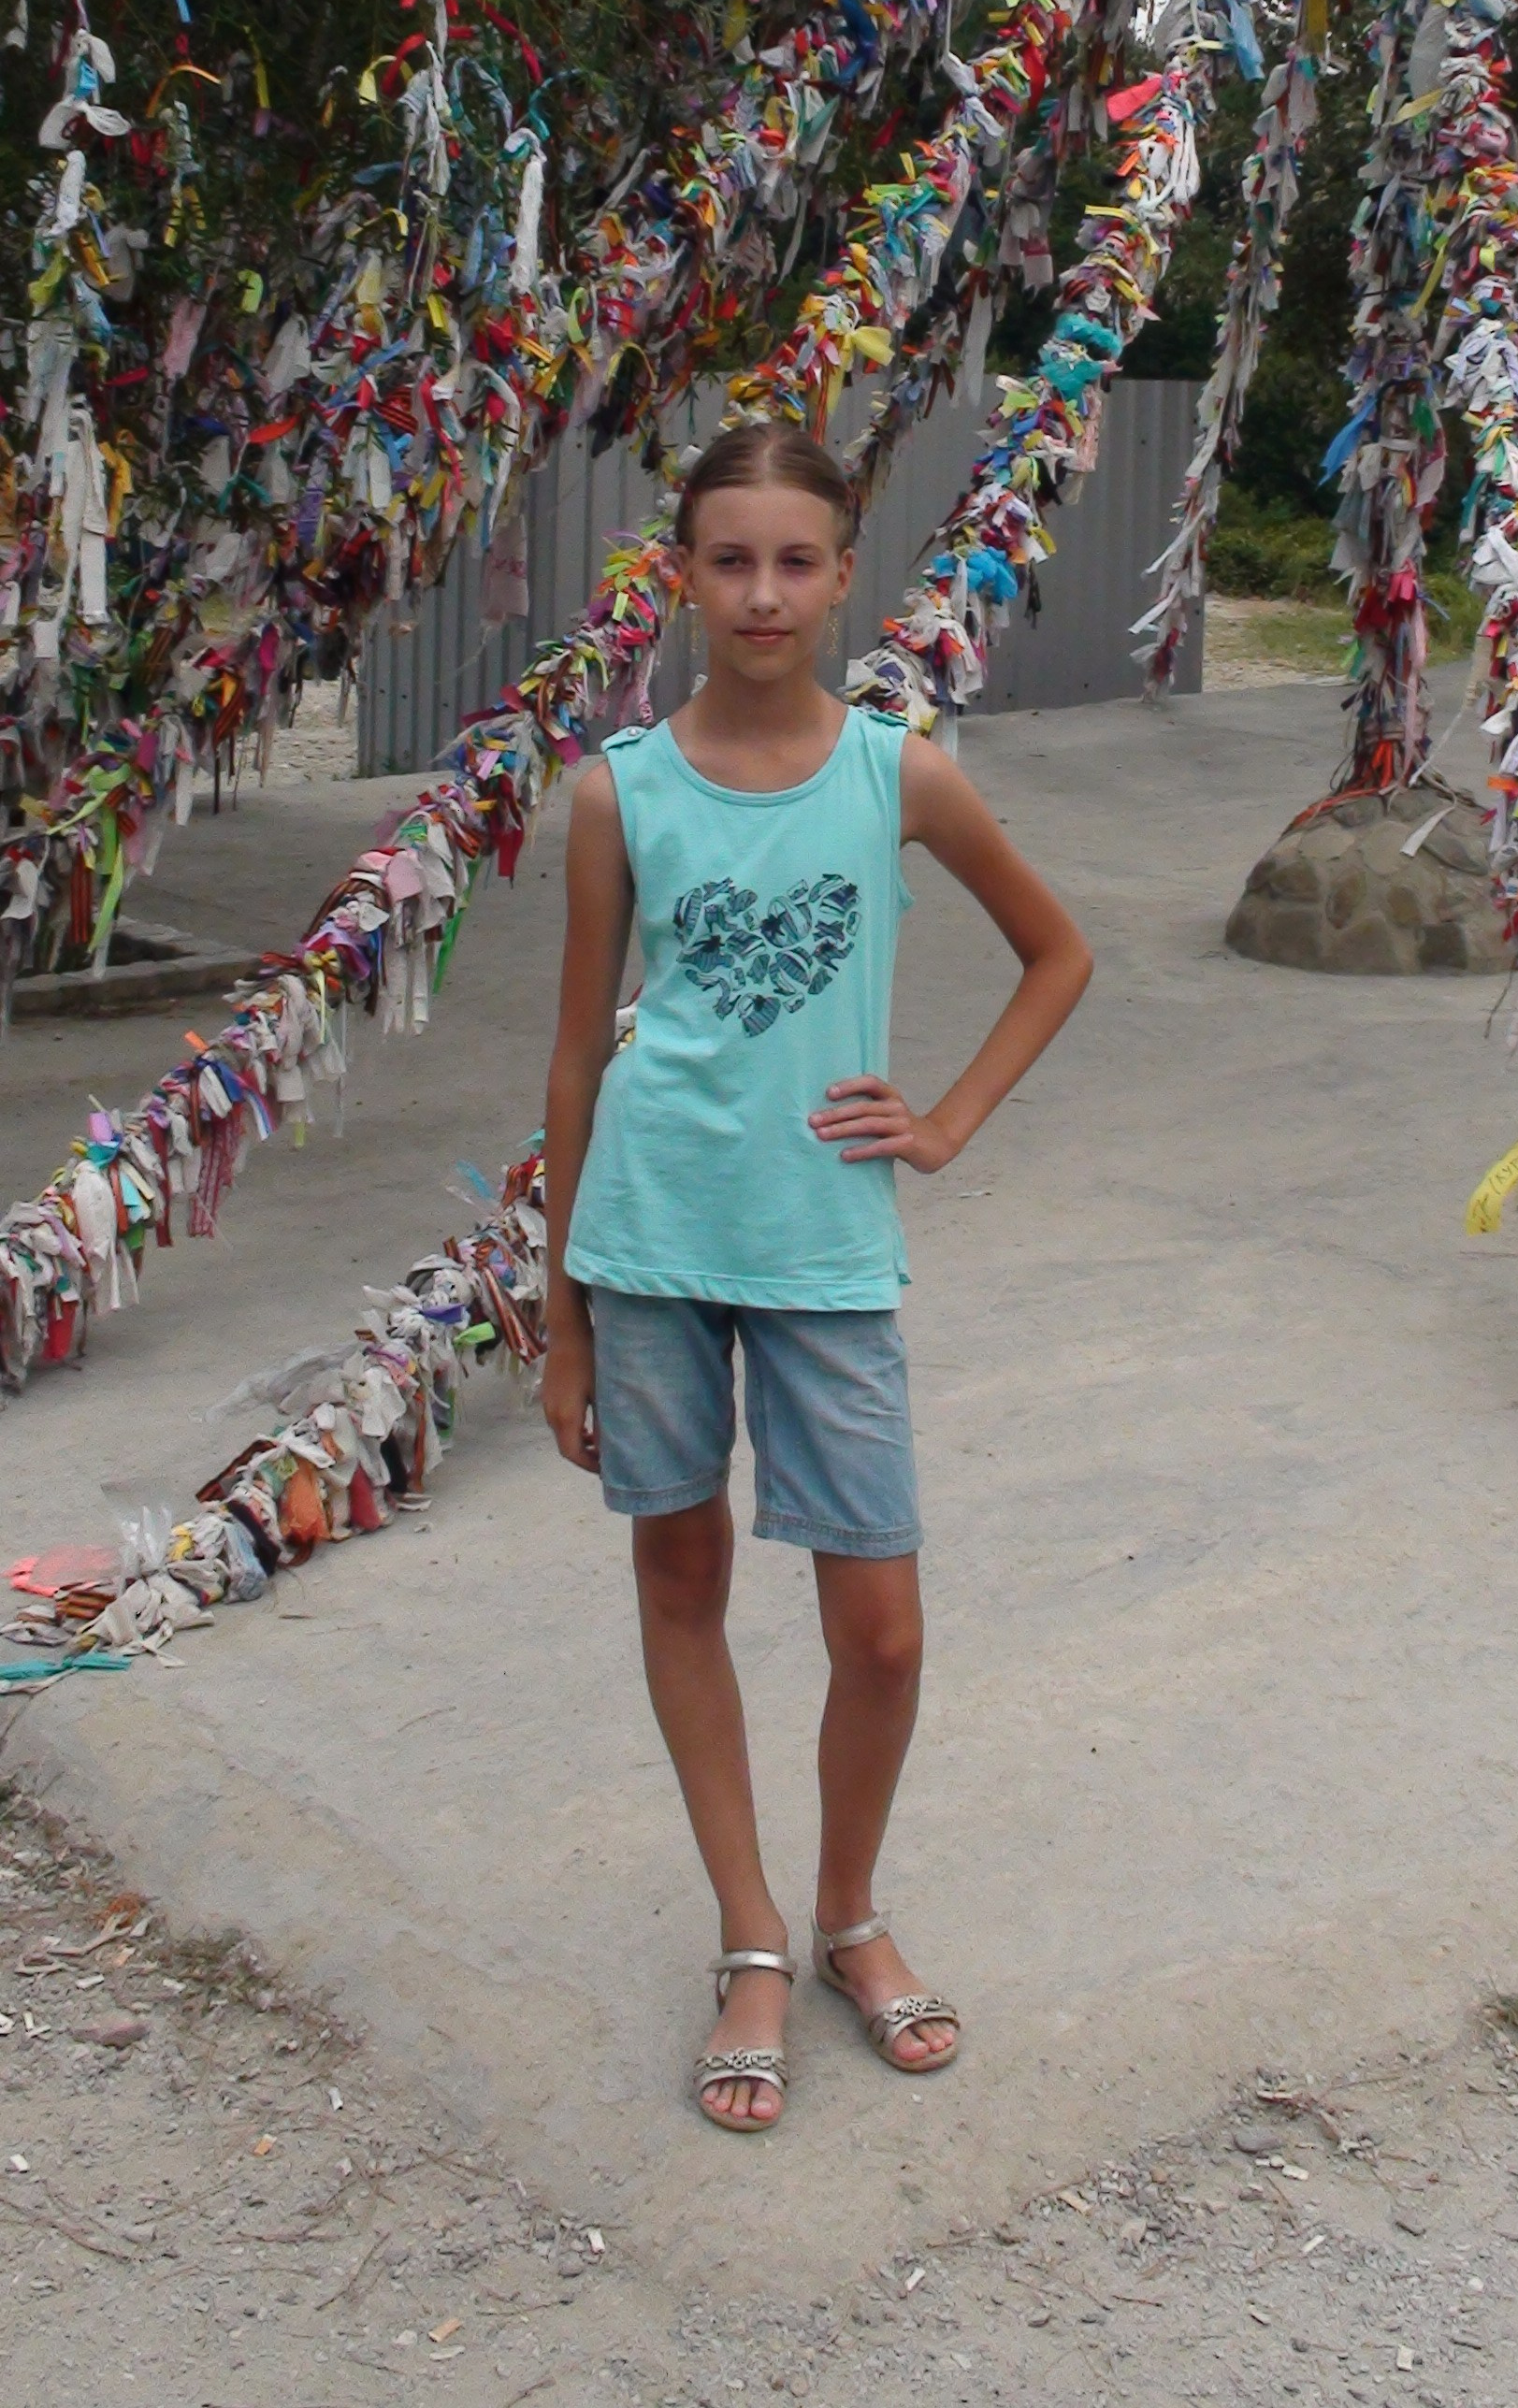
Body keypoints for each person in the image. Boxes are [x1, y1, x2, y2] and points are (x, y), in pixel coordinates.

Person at [540, 422, 1092, 2134]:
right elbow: (573, 1067)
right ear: (683, 576)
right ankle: (753, 1934)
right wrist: (558, 1323)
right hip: (649, 1244)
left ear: (845, 572)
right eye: (729, 560)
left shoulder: (894, 774)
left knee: (884, 1630)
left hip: (827, 1254)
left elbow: (1057, 950)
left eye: (796, 560)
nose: (762, 592)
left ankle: (852, 1909)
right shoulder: (617, 789)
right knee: (682, 1581)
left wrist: (944, 1122)